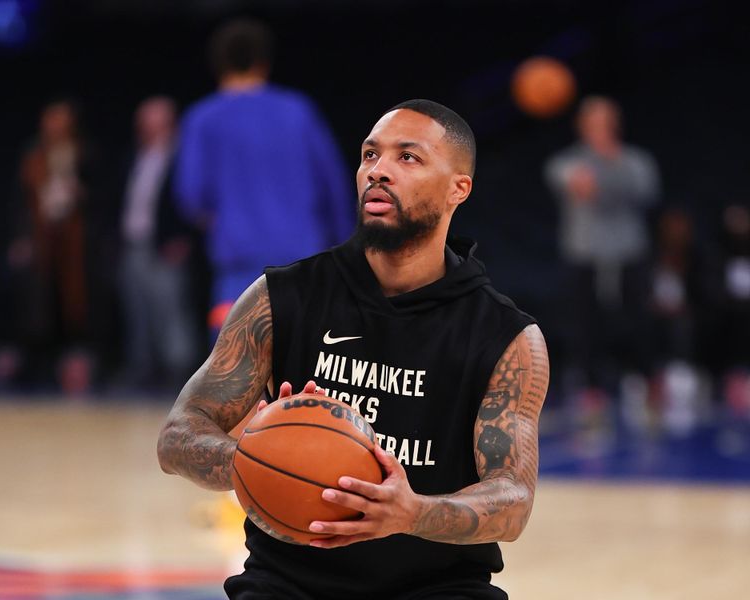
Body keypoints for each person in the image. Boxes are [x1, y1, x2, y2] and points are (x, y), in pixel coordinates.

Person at [158, 99, 549, 599]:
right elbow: (176, 436)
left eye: (407, 157)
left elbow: (513, 501)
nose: (378, 171)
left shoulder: (505, 336)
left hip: (437, 587)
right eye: (369, 155)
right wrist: (253, 457)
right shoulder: (282, 297)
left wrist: (411, 512)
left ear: (459, 188)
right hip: (288, 583)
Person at [174, 17, 355, 339]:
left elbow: (191, 196)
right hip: (303, 259)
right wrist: (344, 245)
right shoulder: (298, 111)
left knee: (234, 374)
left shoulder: (203, 119)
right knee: (306, 367)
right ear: (263, 61)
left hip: (238, 265)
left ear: (217, 63)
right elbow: (334, 184)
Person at [544, 95, 660, 400]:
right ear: (581, 126)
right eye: (592, 122)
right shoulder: (566, 162)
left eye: (605, 122)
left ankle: (647, 384)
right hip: (583, 253)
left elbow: (646, 191)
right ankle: (590, 393)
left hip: (629, 252)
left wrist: (610, 163)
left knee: (639, 320)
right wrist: (590, 179)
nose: (599, 128)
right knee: (584, 325)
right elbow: (574, 183)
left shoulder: (636, 161)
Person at [10, 98, 96, 392]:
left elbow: (101, 197)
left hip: (75, 245)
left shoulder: (84, 154)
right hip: (42, 241)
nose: (55, 127)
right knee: (39, 306)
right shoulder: (33, 155)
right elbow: (20, 201)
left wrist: (81, 194)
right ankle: (39, 368)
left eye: (61, 121)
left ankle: (75, 368)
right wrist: (21, 238)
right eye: (51, 121)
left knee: (74, 304)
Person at [116, 96, 199, 391]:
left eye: (153, 121)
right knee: (138, 311)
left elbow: (190, 202)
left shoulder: (182, 158)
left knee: (170, 310)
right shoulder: (135, 157)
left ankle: (178, 373)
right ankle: (142, 369)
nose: (147, 127)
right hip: (134, 243)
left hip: (166, 247)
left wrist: (182, 239)